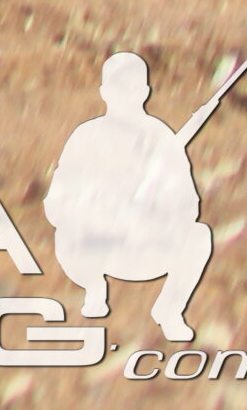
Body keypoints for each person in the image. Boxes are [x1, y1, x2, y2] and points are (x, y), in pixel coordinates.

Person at [45, 47, 221, 344]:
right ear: (104, 91)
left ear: (145, 91)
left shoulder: (162, 139)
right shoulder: (86, 137)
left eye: (132, 86)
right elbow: (57, 201)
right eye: (118, 86)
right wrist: (95, 210)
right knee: (66, 234)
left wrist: (158, 206)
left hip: (145, 245)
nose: (125, 93)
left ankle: (170, 309)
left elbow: (188, 205)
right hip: (96, 244)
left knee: (198, 236)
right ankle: (94, 291)